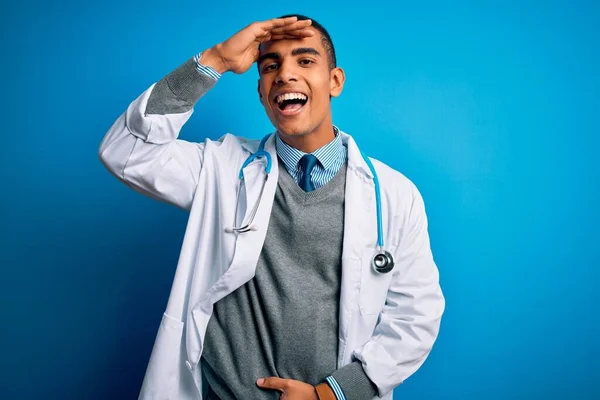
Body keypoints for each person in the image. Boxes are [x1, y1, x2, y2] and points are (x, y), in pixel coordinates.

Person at [99, 14, 445, 400]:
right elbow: (126, 152)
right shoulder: (223, 168)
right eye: (270, 66)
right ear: (262, 92)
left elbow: (416, 317)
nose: (285, 74)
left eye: (305, 60)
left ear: (335, 81)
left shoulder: (394, 195)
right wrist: (214, 60)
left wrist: (327, 396)